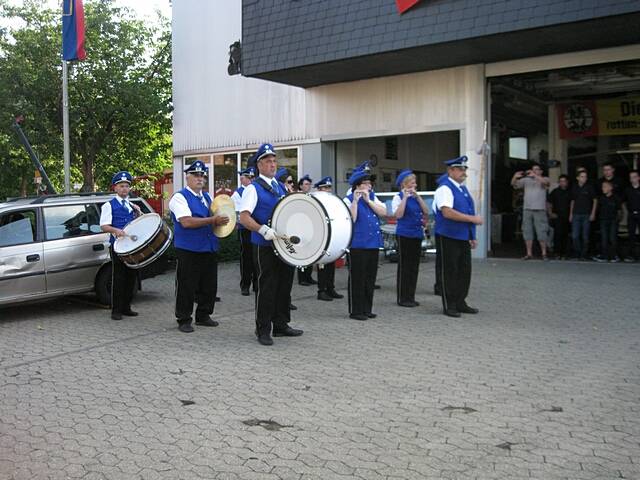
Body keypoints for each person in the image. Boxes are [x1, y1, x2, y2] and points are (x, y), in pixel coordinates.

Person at [238, 143, 303, 346]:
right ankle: (263, 329)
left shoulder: (279, 186)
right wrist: (262, 229)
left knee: (284, 286)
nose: (273, 164)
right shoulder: (253, 189)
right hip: (264, 245)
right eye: (268, 161)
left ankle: (281, 325)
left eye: (274, 161)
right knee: (267, 287)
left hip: (282, 245)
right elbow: (244, 218)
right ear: (259, 165)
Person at [169, 160, 229, 333]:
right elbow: (186, 222)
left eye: (202, 175)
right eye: (195, 175)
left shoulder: (207, 197)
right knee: (187, 285)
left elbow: (218, 219)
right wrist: (213, 220)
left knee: (208, 285)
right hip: (189, 248)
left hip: (208, 247)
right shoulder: (179, 197)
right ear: (187, 178)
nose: (200, 178)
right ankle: (184, 318)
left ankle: (203, 315)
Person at [432, 156, 483, 318]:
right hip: (448, 235)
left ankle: (460, 301)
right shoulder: (445, 189)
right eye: (460, 169)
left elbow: (468, 211)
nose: (464, 172)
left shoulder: (462, 189)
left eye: (465, 169)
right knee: (450, 271)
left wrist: (471, 235)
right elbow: (447, 212)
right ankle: (450, 304)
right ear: (451, 171)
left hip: (462, 236)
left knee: (464, 271)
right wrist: (472, 220)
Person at [343, 168, 387, 320]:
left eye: (369, 183)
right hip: (358, 244)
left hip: (372, 244)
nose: (369, 186)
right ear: (358, 185)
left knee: (370, 278)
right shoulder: (348, 199)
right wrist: (356, 201)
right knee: (357, 278)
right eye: (366, 183)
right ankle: (356, 311)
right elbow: (351, 219)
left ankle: (367, 308)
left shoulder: (373, 197)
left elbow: (383, 212)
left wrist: (368, 201)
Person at [100, 171, 142, 320]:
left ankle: (126, 307)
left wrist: (138, 213)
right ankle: (116, 310)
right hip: (118, 246)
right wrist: (115, 230)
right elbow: (104, 226)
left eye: (126, 186)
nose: (124, 189)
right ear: (115, 188)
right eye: (121, 186)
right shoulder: (108, 205)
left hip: (131, 246)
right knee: (119, 278)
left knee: (131, 277)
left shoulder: (132, 205)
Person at [392, 169, 429, 307]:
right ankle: (402, 297)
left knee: (414, 267)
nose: (415, 186)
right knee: (405, 266)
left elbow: (426, 211)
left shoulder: (416, 197)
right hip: (404, 234)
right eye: (412, 183)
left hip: (416, 234)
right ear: (404, 184)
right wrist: (405, 198)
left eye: (415, 183)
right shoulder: (398, 197)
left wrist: (418, 197)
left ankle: (411, 296)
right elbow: (398, 215)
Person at [314, 176, 344, 301]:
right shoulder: (315, 200)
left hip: (331, 235)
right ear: (319, 189)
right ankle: (321, 290)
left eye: (329, 187)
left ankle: (330, 288)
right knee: (322, 264)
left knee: (331, 262)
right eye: (325, 187)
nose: (328, 190)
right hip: (320, 235)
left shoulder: (332, 200)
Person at [511, 164, 550, 260]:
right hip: (527, 209)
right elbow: (514, 185)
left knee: (542, 231)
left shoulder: (545, 178)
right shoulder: (526, 180)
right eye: (533, 170)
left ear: (541, 171)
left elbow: (545, 183)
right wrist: (514, 177)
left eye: (537, 169)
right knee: (527, 230)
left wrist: (535, 175)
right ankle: (529, 253)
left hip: (540, 209)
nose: (534, 171)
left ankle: (544, 254)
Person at [231, 166, 256, 296]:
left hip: (255, 228)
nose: (251, 180)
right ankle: (245, 285)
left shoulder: (256, 189)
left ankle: (257, 285)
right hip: (245, 229)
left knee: (257, 258)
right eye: (248, 177)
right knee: (246, 258)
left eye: (252, 177)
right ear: (242, 179)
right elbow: (238, 212)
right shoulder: (238, 193)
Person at [570, 169, 597, 260]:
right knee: (575, 236)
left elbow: (595, 200)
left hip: (586, 214)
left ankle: (584, 254)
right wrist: (571, 214)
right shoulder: (574, 187)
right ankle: (577, 252)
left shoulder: (589, 187)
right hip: (576, 214)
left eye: (585, 177)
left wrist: (593, 213)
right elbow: (572, 201)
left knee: (585, 236)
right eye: (582, 176)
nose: (584, 178)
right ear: (577, 178)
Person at [296, 174, 317, 286]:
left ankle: (308, 276)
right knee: (302, 253)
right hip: (300, 228)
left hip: (309, 228)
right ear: (300, 185)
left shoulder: (310, 196)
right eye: (306, 184)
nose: (308, 186)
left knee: (309, 253)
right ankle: (302, 278)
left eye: (309, 184)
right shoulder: (297, 196)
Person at [593, 180, 622, 262]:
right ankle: (604, 255)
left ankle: (614, 255)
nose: (603, 188)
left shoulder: (616, 198)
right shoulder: (601, 198)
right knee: (604, 238)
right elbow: (598, 209)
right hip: (603, 220)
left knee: (612, 238)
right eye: (602, 187)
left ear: (610, 188)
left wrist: (618, 219)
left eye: (605, 187)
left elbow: (619, 210)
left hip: (613, 220)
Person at [547, 174, 571, 259]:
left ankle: (564, 253)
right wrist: (550, 213)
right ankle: (557, 253)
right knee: (557, 235)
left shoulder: (570, 191)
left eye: (564, 181)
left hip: (568, 216)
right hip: (557, 216)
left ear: (567, 182)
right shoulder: (555, 191)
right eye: (560, 181)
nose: (562, 183)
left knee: (566, 235)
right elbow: (549, 202)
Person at [624, 170, 640, 262]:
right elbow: (624, 201)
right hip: (631, 214)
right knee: (631, 235)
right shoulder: (628, 190)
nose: (632, 179)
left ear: (638, 178)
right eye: (631, 177)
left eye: (634, 177)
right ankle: (632, 255)